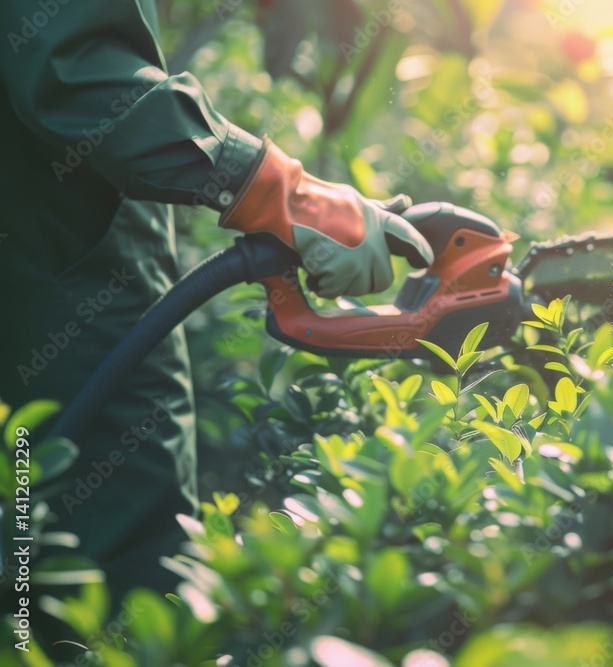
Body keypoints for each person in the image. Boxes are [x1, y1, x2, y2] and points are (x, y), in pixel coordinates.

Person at [0, 0, 432, 619]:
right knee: (119, 577)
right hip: (59, 266)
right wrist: (282, 194)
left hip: (40, 251)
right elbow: (76, 68)